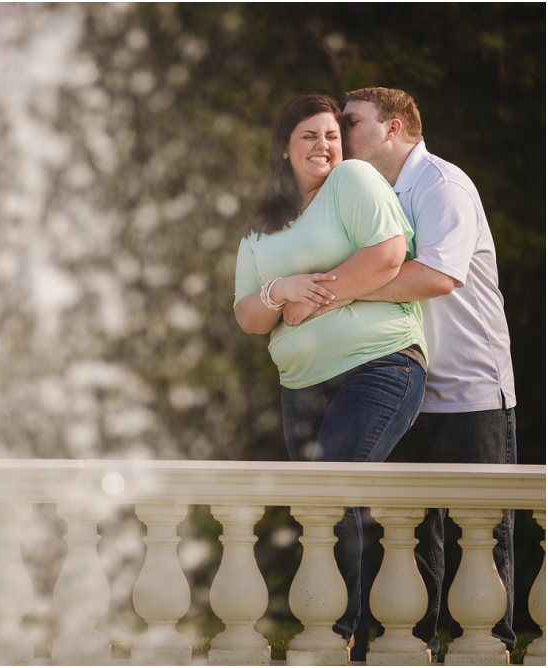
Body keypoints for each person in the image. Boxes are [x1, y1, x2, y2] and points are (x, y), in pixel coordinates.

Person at [233, 94, 428, 662]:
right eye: (309, 136)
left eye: (332, 135)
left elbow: (389, 254)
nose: (325, 145)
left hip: (378, 365)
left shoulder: (353, 181)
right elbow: (248, 314)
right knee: (320, 508)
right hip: (301, 385)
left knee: (332, 491)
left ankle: (340, 637)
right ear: (285, 150)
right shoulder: (261, 225)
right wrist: (278, 291)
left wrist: (310, 300)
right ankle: (345, 636)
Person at [337, 86, 518, 656]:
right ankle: (411, 652)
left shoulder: (442, 184)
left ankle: (489, 653)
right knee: (409, 540)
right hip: (407, 389)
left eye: (352, 122)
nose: (340, 134)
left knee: (483, 539)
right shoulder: (372, 194)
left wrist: (344, 292)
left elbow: (438, 275)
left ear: (393, 128)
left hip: (471, 391)